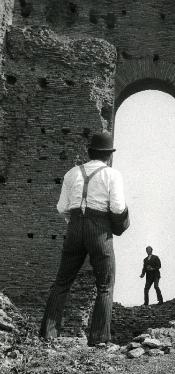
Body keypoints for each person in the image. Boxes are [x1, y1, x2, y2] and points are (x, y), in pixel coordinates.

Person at [39, 131, 128, 346]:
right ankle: (98, 339)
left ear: (89, 153)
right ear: (109, 156)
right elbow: (117, 207)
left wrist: (76, 224)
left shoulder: (71, 173)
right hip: (99, 229)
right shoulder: (112, 175)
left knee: (62, 281)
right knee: (105, 285)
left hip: (75, 226)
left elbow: (61, 207)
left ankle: (48, 334)